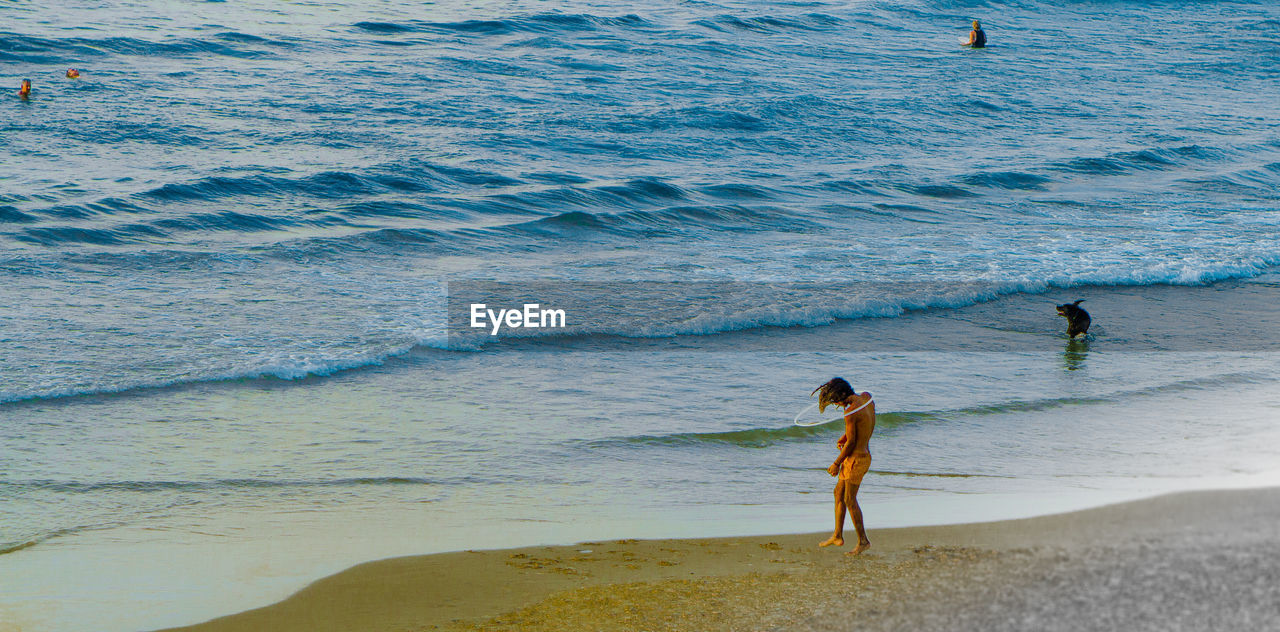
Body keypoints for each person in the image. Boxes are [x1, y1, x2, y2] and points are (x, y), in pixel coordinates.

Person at [814, 377, 876, 555]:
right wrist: (847, 436)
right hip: (863, 454)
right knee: (838, 493)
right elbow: (867, 424)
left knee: (850, 499)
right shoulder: (867, 398)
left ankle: (863, 541)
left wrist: (836, 463)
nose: (837, 405)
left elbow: (850, 444)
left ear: (841, 395)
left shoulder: (850, 412)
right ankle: (837, 536)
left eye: (835, 401)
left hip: (856, 459)